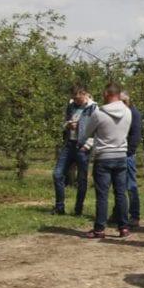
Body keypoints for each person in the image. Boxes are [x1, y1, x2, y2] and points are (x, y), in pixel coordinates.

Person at [80, 83, 132, 239]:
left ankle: (100, 229)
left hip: (103, 156)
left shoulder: (99, 113)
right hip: (121, 155)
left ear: (106, 94)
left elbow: (87, 132)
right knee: (121, 193)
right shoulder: (128, 111)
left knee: (102, 195)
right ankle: (123, 227)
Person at [52, 86, 96, 216]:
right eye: (73, 98)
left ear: (84, 94)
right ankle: (59, 207)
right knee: (57, 174)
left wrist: (87, 145)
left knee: (81, 179)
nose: (75, 101)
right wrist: (68, 125)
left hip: (82, 146)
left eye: (77, 98)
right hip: (69, 144)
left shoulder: (93, 108)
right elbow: (64, 123)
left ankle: (78, 209)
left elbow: (97, 129)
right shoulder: (71, 106)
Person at [117, 91, 142, 226]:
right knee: (118, 185)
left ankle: (134, 215)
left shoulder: (134, 114)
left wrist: (128, 152)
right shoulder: (121, 113)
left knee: (131, 185)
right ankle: (118, 213)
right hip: (118, 153)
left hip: (127, 155)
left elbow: (135, 136)